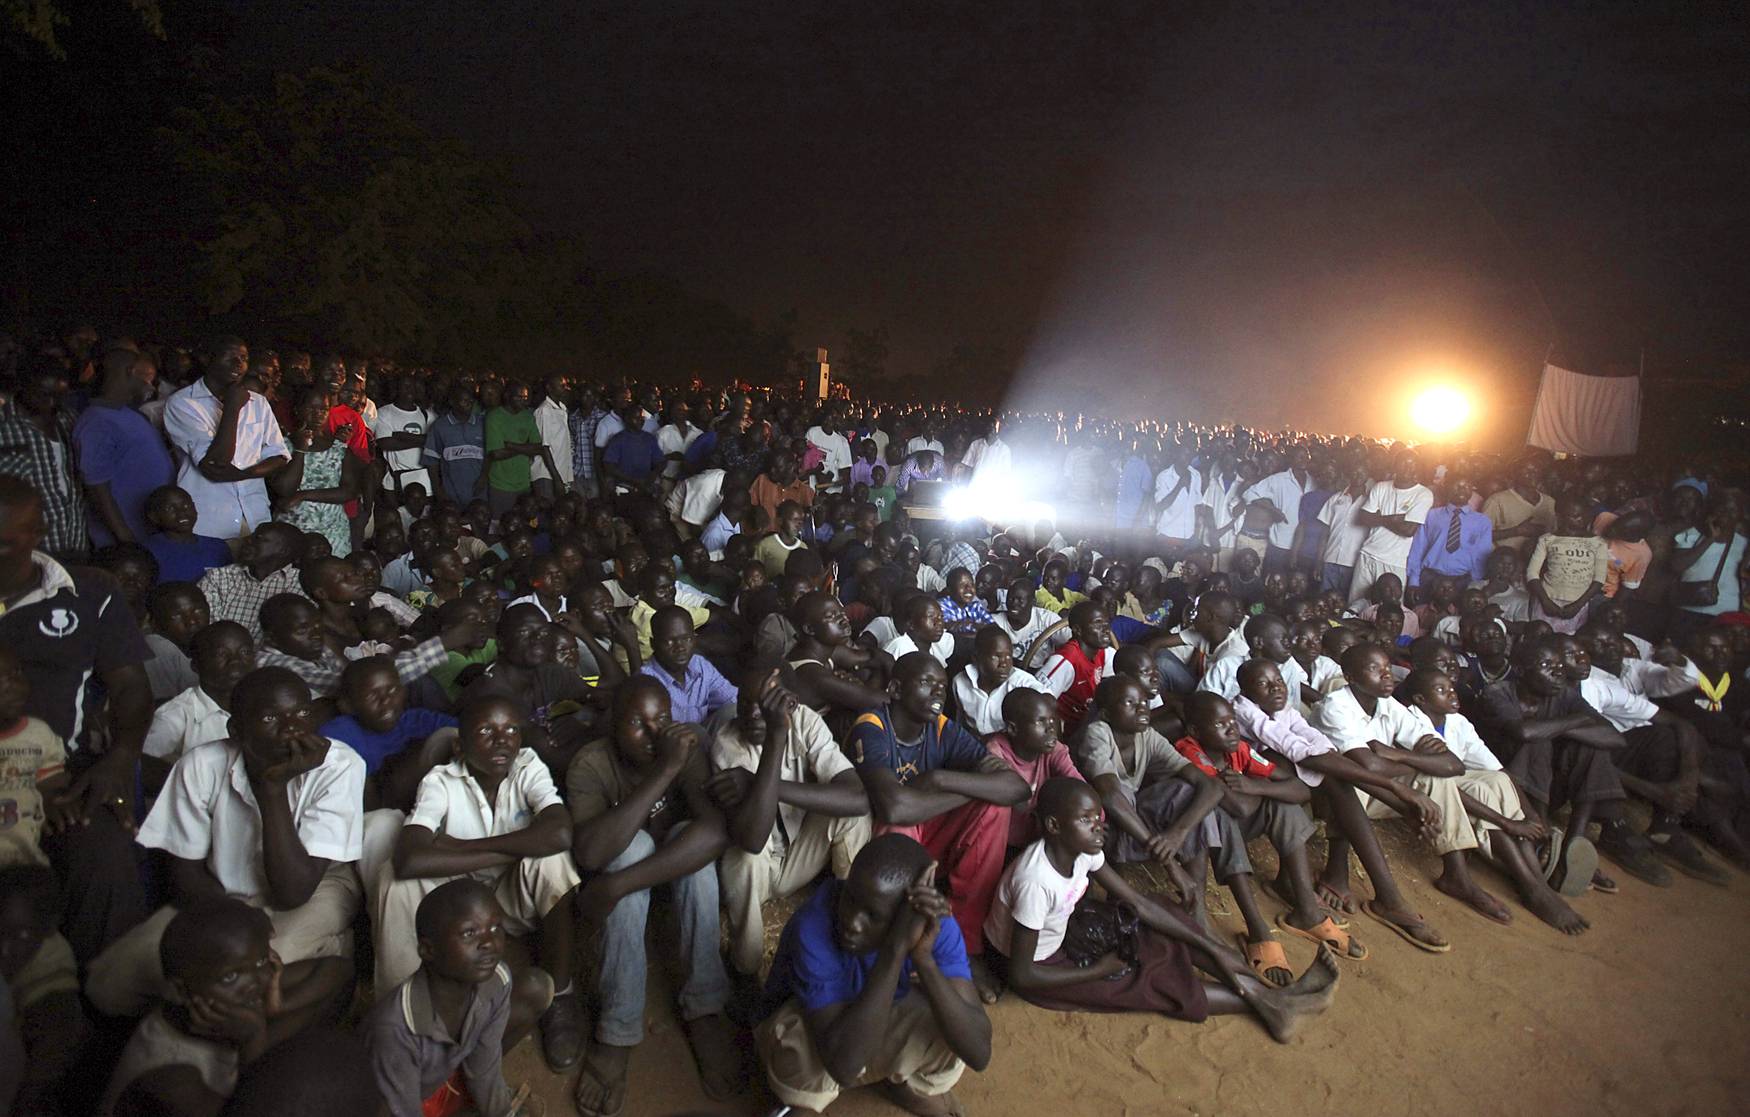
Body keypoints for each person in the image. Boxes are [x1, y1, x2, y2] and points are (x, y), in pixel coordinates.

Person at [84, 668, 359, 1026]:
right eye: (271, 717)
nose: (293, 727)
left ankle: (333, 947)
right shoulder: (201, 765)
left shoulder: (340, 766)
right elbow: (184, 871)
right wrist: (233, 921)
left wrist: (271, 789)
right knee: (109, 983)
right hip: (219, 894)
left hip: (316, 885)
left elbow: (294, 891)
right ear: (236, 731)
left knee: (252, 984)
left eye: (303, 713)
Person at [987, 778, 1338, 1038]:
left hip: (1066, 929)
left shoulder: (1085, 849)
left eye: (1099, 817)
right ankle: (1275, 1005)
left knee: (1160, 913)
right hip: (1041, 967)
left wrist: (1204, 945)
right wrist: (1099, 970)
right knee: (1146, 979)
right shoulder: (1036, 881)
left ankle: (1274, 999)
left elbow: (1137, 902)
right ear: (1053, 826)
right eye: (1086, 820)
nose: (1099, 827)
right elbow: (1023, 974)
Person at [374, 694, 580, 1069]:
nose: (502, 741)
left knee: (551, 860)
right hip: (458, 903)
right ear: (460, 745)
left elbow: (560, 833)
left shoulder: (527, 766)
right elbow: (410, 857)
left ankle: (561, 994)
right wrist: (517, 846)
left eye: (511, 730)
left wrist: (464, 847)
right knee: (395, 877)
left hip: (511, 896)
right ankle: (401, 1014)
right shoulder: (441, 780)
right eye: (486, 731)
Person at [565, 678, 739, 1115]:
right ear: (612, 726)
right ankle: (618, 1029)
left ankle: (704, 1009)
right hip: (628, 881)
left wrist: (618, 885)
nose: (654, 732)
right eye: (637, 723)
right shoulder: (591, 763)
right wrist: (663, 771)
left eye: (661, 719)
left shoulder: (685, 748)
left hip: (653, 881)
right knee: (632, 846)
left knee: (690, 842)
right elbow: (590, 853)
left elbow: (716, 832)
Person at [0, 477, 153, 964]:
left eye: (5, 541)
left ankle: (104, 996)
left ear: (37, 532)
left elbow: (130, 688)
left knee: (103, 853)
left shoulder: (89, 591)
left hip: (65, 770)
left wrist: (117, 761)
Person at [755, 833, 992, 1114]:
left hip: (864, 1029)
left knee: (945, 1008)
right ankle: (802, 1100)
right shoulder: (813, 926)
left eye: (873, 915)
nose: (852, 922)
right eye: (849, 898)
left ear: (907, 913)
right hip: (815, 1040)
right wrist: (895, 949)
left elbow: (978, 1052)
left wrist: (924, 961)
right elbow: (843, 1068)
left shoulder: (934, 927)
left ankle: (897, 1082)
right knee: (796, 1032)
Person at [848, 653, 1030, 1003]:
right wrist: (963, 792)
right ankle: (902, 946)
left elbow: (1016, 788)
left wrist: (941, 779)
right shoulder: (872, 726)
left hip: (927, 828)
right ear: (896, 689)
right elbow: (895, 807)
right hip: (880, 845)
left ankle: (964, 944)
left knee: (994, 808)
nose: (938, 692)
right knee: (899, 831)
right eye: (927, 683)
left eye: (942, 686)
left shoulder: (943, 728)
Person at [1229, 659, 1442, 956]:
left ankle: (1383, 895)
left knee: (1335, 776)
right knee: (1330, 774)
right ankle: (1388, 898)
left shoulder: (1283, 710)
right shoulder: (1243, 711)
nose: (1276, 688)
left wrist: (1401, 798)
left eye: (1278, 680)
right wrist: (1397, 789)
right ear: (1245, 689)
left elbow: (1319, 744)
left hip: (1287, 782)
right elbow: (1298, 750)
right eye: (1264, 684)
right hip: (1249, 791)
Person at [708, 670, 872, 985]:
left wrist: (759, 784)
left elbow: (857, 798)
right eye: (744, 703)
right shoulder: (728, 743)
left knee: (853, 817)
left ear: (791, 704)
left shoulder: (806, 721)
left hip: (799, 856)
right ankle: (746, 967)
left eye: (765, 704)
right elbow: (753, 841)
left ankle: (850, 927)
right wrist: (775, 737)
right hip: (760, 869)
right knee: (743, 856)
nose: (753, 714)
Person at [1397, 668, 1591, 932]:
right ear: (1420, 699)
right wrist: (1506, 823)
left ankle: (1536, 881)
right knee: (1481, 792)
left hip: (1456, 781)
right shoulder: (1411, 721)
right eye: (1441, 691)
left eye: (1452, 687)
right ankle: (1530, 884)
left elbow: (1498, 770)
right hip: (1425, 786)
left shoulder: (1458, 722)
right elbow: (1442, 786)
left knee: (1497, 782)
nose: (1452, 694)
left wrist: (1529, 813)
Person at [1471, 638, 1669, 890]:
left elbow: (1614, 738)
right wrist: (1574, 722)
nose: (1557, 672)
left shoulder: (1565, 695)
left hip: (1547, 787)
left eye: (1560, 666)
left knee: (1590, 747)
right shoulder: (1497, 692)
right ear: (1521, 670)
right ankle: (1540, 838)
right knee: (1537, 742)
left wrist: (1560, 729)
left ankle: (1571, 845)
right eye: (1546, 665)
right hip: (1504, 791)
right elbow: (1523, 732)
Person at [366, 878, 547, 1117]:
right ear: (428, 950)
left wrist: (502, 1113)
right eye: (469, 932)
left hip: (440, 1081)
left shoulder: (496, 980)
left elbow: (485, 1066)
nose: (489, 943)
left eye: (495, 928)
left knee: (536, 988)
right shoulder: (395, 1029)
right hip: (401, 1101)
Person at [98, 899, 289, 1117]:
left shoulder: (196, 1006)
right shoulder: (174, 1080)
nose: (257, 981)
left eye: (261, 961)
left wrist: (266, 1012)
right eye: (230, 977)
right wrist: (254, 1037)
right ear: (181, 990)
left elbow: (331, 971)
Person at [163, 337, 291, 540]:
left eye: (243, 358)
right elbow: (216, 462)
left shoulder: (258, 402)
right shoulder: (183, 403)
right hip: (211, 521)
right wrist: (232, 408)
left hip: (255, 517)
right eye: (229, 356)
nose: (238, 364)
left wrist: (243, 474)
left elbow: (279, 456)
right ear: (207, 359)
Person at [0, 864, 87, 1114]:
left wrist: (27, 1100)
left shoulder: (50, 962)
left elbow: (60, 1030)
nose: (5, 949)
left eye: (24, 936)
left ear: (47, 930)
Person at [73, 344, 175, 547]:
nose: (151, 386)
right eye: (147, 377)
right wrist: (127, 541)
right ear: (130, 371)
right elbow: (97, 489)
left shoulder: (128, 414)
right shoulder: (96, 421)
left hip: (149, 534)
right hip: (126, 542)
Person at [0, 357, 89, 558]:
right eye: (43, 395)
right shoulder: (3, 426)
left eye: (59, 396)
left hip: (76, 544)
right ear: (21, 386)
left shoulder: (69, 420)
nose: (51, 403)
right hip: (27, 552)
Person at [196, 522, 306, 640]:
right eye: (252, 536)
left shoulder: (302, 584)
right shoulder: (219, 576)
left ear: (283, 550)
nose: (248, 540)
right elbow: (206, 629)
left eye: (259, 539)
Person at [1348, 451, 1432, 604]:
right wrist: (1392, 519)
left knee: (1389, 611)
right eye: (1403, 463)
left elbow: (1408, 530)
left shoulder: (1423, 494)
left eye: (1412, 465)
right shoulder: (1381, 487)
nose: (1408, 468)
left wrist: (1378, 518)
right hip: (1368, 554)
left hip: (1394, 561)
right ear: (1395, 466)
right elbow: (1363, 518)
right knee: (1356, 605)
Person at [640, 605, 738, 725]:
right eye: (670, 641)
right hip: (670, 742)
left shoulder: (699, 665)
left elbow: (732, 698)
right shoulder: (646, 682)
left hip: (706, 739)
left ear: (694, 638)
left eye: (686, 639)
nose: (680, 648)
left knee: (734, 710)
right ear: (653, 644)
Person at [1524, 496, 1609, 633]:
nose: (1579, 519)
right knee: (1541, 639)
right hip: (1547, 599)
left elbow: (1599, 579)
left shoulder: (1598, 543)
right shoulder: (1547, 540)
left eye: (1582, 515)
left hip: (1577, 603)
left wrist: (1578, 605)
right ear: (1560, 516)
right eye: (1573, 516)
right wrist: (1545, 601)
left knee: (1570, 642)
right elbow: (1532, 573)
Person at [1404, 474, 1493, 600]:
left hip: (1462, 581)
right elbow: (1418, 550)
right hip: (1430, 577)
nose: (1462, 489)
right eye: (1457, 485)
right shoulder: (1431, 515)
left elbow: (1481, 557)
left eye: (1467, 486)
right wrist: (1413, 581)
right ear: (1447, 487)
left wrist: (1474, 585)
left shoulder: (1482, 522)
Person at [952, 626, 1046, 737]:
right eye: (996, 657)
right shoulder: (960, 682)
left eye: (1008, 656)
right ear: (976, 658)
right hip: (972, 745)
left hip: (1008, 750)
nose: (1004, 664)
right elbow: (961, 722)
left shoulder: (1020, 682)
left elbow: (1048, 702)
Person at [484, 382, 554, 516]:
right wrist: (525, 447)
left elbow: (538, 448)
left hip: (524, 484)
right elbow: (497, 454)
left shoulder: (527, 416)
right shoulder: (494, 417)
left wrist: (511, 446)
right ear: (507, 396)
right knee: (501, 526)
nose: (524, 401)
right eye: (519, 397)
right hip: (501, 485)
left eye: (526, 397)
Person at [144, 486, 235, 585]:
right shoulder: (149, 550)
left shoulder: (218, 546)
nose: (182, 512)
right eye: (170, 508)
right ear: (154, 517)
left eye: (186, 506)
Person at [422, 385, 487, 507]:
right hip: (451, 492)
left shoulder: (482, 423)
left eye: (471, 401)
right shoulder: (439, 426)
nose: (469, 404)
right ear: (452, 402)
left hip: (480, 491)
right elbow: (431, 462)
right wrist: (438, 491)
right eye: (464, 400)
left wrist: (483, 478)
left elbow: (490, 455)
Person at [1482, 456, 1555, 557]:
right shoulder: (1497, 500)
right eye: (1527, 470)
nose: (1533, 474)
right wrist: (1516, 531)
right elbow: (1480, 535)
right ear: (1515, 473)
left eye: (1536, 470)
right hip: (1506, 566)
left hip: (1541, 564)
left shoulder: (1550, 502)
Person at [527, 375, 574, 501]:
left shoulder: (562, 409)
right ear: (549, 388)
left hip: (559, 471)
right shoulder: (544, 411)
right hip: (546, 474)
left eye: (565, 385)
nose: (565, 388)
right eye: (561, 385)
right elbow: (543, 447)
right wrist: (556, 478)